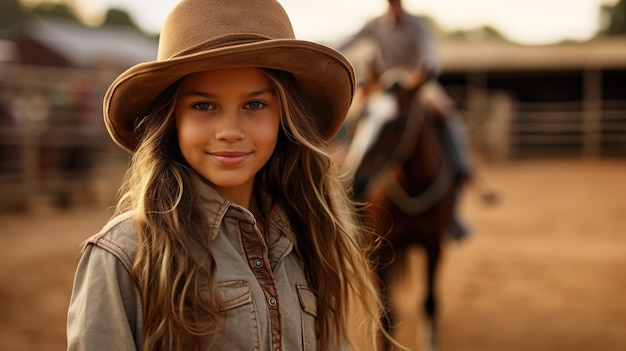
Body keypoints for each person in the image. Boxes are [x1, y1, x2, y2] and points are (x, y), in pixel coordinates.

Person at [66, 0, 388, 350]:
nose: (230, 131)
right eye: (204, 105)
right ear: (172, 118)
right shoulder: (124, 255)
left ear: (285, 115)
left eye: (255, 104)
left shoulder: (309, 238)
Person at [337, 0, 496, 240]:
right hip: (386, 85)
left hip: (414, 84)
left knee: (448, 115)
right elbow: (348, 41)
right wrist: (327, 52)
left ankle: (462, 169)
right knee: (359, 112)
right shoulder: (375, 24)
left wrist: (419, 78)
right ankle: (351, 169)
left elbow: (430, 57)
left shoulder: (418, 26)